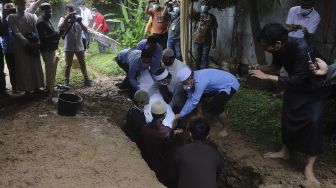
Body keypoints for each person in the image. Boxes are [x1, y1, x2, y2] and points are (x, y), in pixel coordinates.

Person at [249, 23, 327, 185]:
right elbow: (275, 66)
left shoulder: (303, 49)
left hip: (313, 90)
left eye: (265, 46)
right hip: (295, 88)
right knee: (288, 117)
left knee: (314, 123)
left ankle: (309, 167)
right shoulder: (280, 47)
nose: (264, 48)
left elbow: (297, 79)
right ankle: (285, 151)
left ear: (277, 44)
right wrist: (258, 68)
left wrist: (266, 77)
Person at [174, 67, 240, 137]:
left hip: (229, 84)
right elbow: (190, 97)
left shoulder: (200, 81)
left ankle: (226, 128)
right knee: (196, 94)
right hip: (216, 86)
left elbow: (193, 101)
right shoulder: (192, 79)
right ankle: (200, 114)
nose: (184, 85)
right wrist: (181, 114)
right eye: (182, 83)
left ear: (190, 78)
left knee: (216, 104)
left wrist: (180, 114)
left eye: (184, 83)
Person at [7, 0, 44, 95]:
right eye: (20, 3)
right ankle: (27, 90)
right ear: (16, 4)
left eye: (23, 3)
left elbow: (36, 30)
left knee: (35, 66)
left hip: (34, 45)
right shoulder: (12, 17)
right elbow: (16, 32)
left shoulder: (31, 15)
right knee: (24, 68)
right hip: (21, 47)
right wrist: (27, 43)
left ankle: (37, 87)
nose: (23, 5)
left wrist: (37, 42)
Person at [174, 118, 223, 188]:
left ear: (190, 134)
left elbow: (173, 176)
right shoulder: (216, 155)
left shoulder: (180, 152)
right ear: (207, 136)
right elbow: (217, 178)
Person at [140, 100, 174, 187]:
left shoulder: (144, 128)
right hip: (162, 162)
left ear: (151, 113)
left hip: (147, 159)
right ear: (165, 114)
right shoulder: (166, 131)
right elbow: (170, 143)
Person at [58, 3, 92, 87]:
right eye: (70, 10)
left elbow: (85, 29)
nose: (72, 12)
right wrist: (67, 18)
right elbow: (60, 28)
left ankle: (86, 79)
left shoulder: (78, 19)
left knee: (82, 63)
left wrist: (79, 22)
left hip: (79, 46)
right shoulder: (63, 18)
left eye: (73, 10)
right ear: (66, 10)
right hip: (69, 46)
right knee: (68, 65)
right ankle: (66, 81)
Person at [36, 3, 60, 99]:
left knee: (50, 68)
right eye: (47, 11)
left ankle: (50, 87)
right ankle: (49, 89)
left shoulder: (46, 20)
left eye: (50, 11)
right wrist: (56, 33)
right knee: (50, 68)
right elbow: (44, 38)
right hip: (46, 49)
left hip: (51, 48)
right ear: (42, 11)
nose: (50, 13)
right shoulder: (41, 22)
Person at [190, 0, 218, 69]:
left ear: (209, 7)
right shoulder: (197, 15)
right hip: (197, 40)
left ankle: (205, 73)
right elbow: (189, 14)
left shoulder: (212, 17)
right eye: (203, 5)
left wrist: (214, 41)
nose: (204, 6)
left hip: (207, 41)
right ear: (201, 6)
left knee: (205, 58)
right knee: (197, 58)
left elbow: (214, 30)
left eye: (206, 5)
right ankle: (197, 72)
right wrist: (190, 4)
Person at [2, 1, 17, 93]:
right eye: (8, 7)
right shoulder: (3, 20)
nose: (10, 8)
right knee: (11, 68)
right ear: (4, 9)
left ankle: (21, 85)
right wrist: (4, 15)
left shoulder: (16, 17)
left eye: (12, 6)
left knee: (19, 67)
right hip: (8, 48)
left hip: (18, 48)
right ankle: (14, 86)